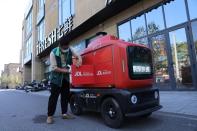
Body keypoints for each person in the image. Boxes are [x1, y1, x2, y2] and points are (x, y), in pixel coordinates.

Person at [46, 42, 82, 124]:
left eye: (67, 47)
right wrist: (68, 71)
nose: (66, 49)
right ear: (60, 46)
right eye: (64, 48)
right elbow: (54, 67)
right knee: (53, 98)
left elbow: (78, 56)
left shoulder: (70, 49)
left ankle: (64, 114)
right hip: (56, 79)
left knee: (65, 97)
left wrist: (79, 59)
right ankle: (50, 116)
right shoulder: (53, 52)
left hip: (65, 79)